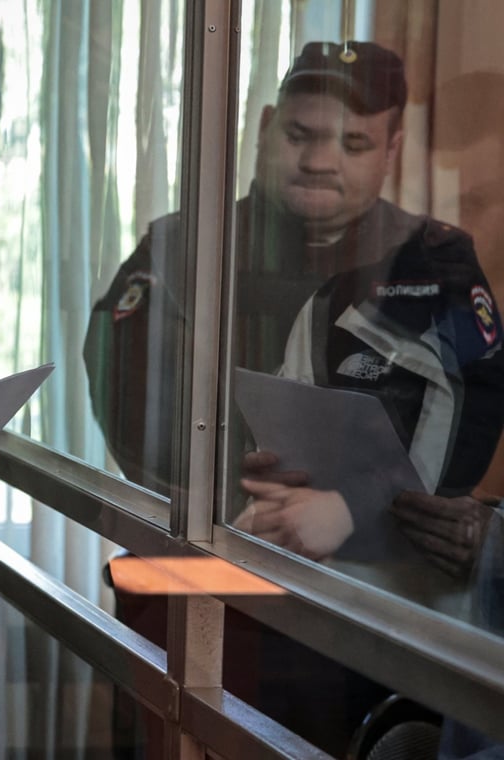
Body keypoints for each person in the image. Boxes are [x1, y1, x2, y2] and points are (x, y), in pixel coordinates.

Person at [85, 40, 504, 757]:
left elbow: (467, 424)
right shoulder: (185, 245)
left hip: (370, 606)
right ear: (268, 125)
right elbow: (123, 395)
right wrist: (243, 509)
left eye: (353, 141)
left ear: (392, 148)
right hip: (199, 571)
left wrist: (348, 511)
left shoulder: (433, 261)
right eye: (301, 135)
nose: (320, 161)